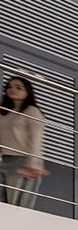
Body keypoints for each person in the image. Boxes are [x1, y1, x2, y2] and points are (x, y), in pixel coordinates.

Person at [0, 75, 48, 209]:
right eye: (9, 86)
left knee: (17, 205)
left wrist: (33, 163)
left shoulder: (32, 111)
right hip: (6, 159)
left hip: (24, 160)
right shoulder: (4, 112)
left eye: (18, 87)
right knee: (3, 205)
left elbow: (36, 139)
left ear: (27, 91)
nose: (12, 89)